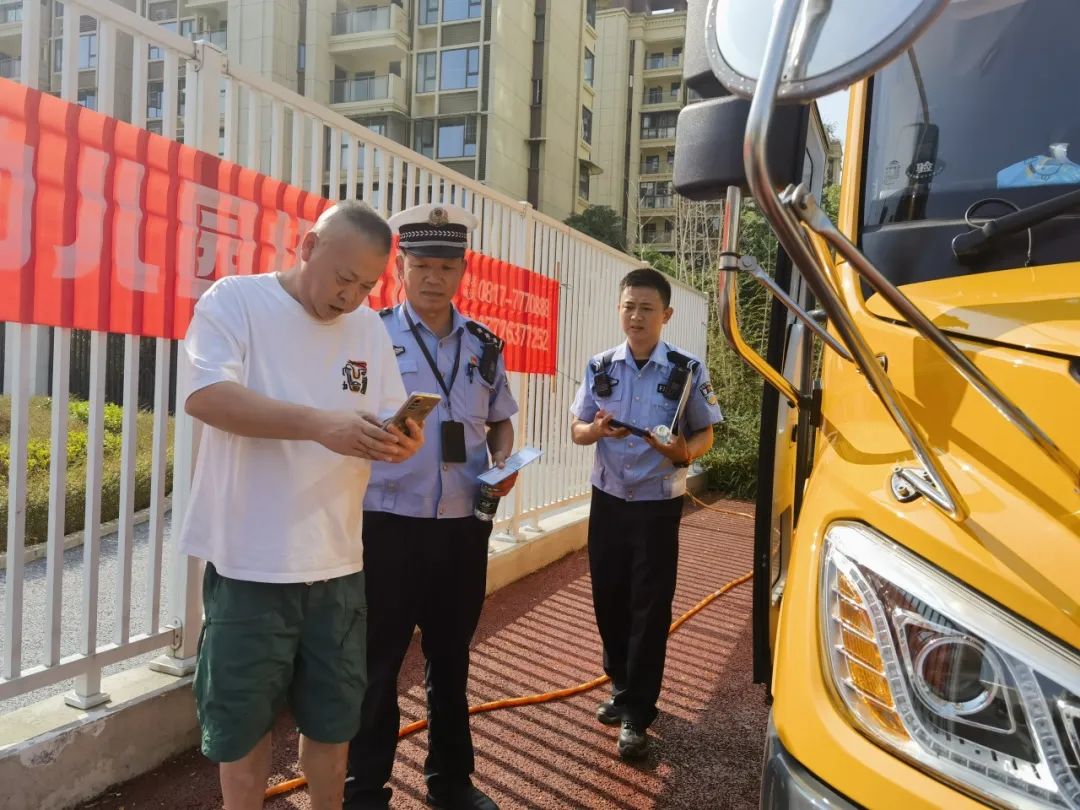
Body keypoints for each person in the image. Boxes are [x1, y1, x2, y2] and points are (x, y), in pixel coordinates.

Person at [179, 200, 424, 810]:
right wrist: (320, 425)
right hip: (250, 564)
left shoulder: (368, 326)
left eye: (366, 285)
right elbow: (207, 396)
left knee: (334, 727)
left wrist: (398, 441)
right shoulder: (236, 301)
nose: (350, 297)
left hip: (338, 564)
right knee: (241, 733)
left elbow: (378, 414)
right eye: (343, 278)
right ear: (308, 246)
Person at [343, 203, 518, 810]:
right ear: (401, 268)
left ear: (464, 270)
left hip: (461, 528)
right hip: (386, 524)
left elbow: (499, 422)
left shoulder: (485, 346)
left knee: (451, 657)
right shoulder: (368, 335)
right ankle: (365, 788)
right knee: (378, 661)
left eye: (446, 266)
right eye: (422, 265)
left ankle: (451, 782)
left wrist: (502, 465)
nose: (434, 278)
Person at [570, 267, 723, 760]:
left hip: (657, 504)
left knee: (649, 607)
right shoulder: (599, 366)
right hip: (608, 500)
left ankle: (638, 711)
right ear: (620, 310)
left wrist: (684, 452)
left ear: (666, 315)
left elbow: (706, 433)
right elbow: (576, 428)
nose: (636, 316)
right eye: (629, 307)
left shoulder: (687, 369)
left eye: (647, 308)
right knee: (608, 599)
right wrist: (594, 432)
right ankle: (620, 685)